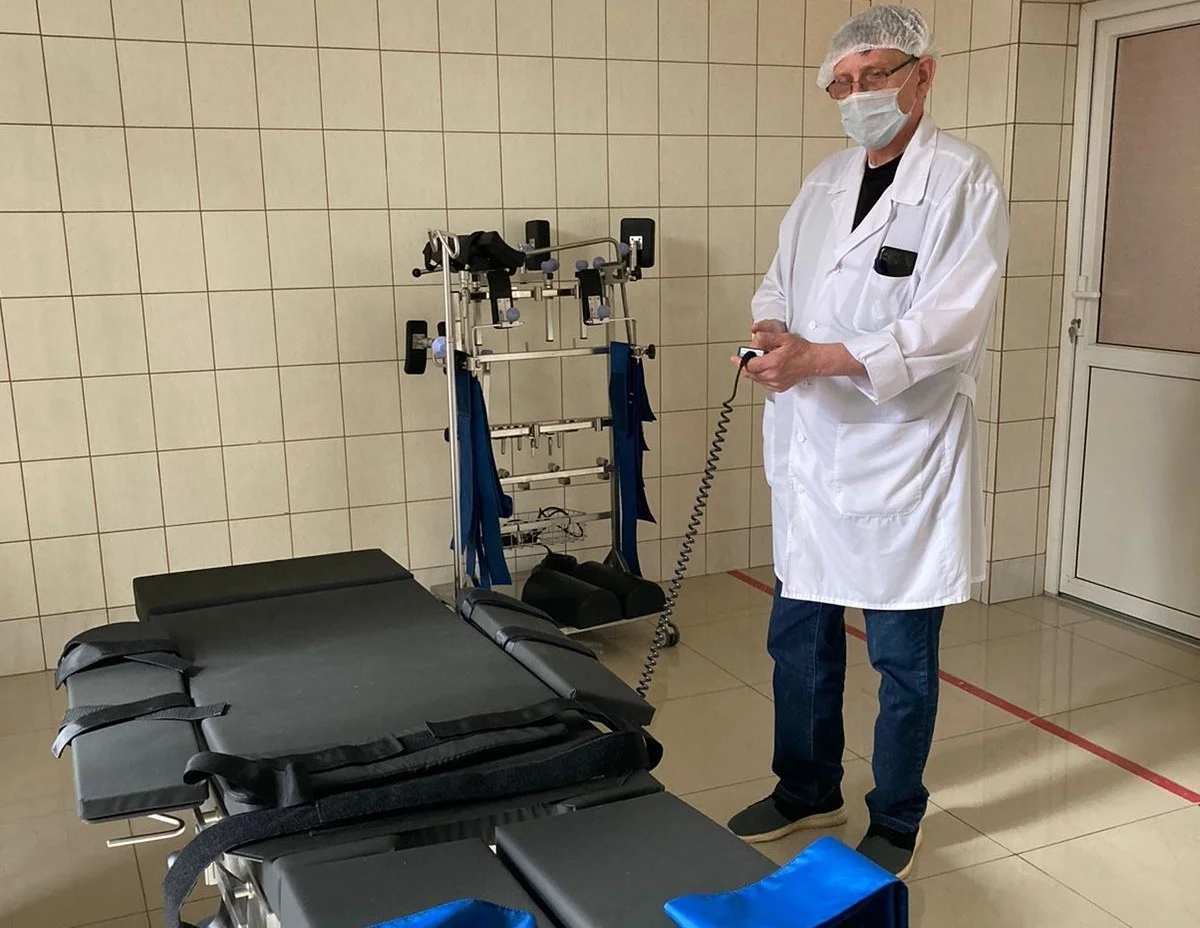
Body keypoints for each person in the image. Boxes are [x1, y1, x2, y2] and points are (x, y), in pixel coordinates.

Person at [727, 5, 1010, 879]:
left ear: (923, 75)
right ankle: (807, 786)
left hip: (902, 454)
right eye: (843, 84)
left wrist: (822, 357)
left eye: (875, 76)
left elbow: (950, 324)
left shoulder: (963, 180)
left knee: (900, 658)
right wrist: (773, 332)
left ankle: (896, 815)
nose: (858, 97)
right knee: (798, 640)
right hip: (814, 450)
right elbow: (778, 282)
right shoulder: (823, 182)